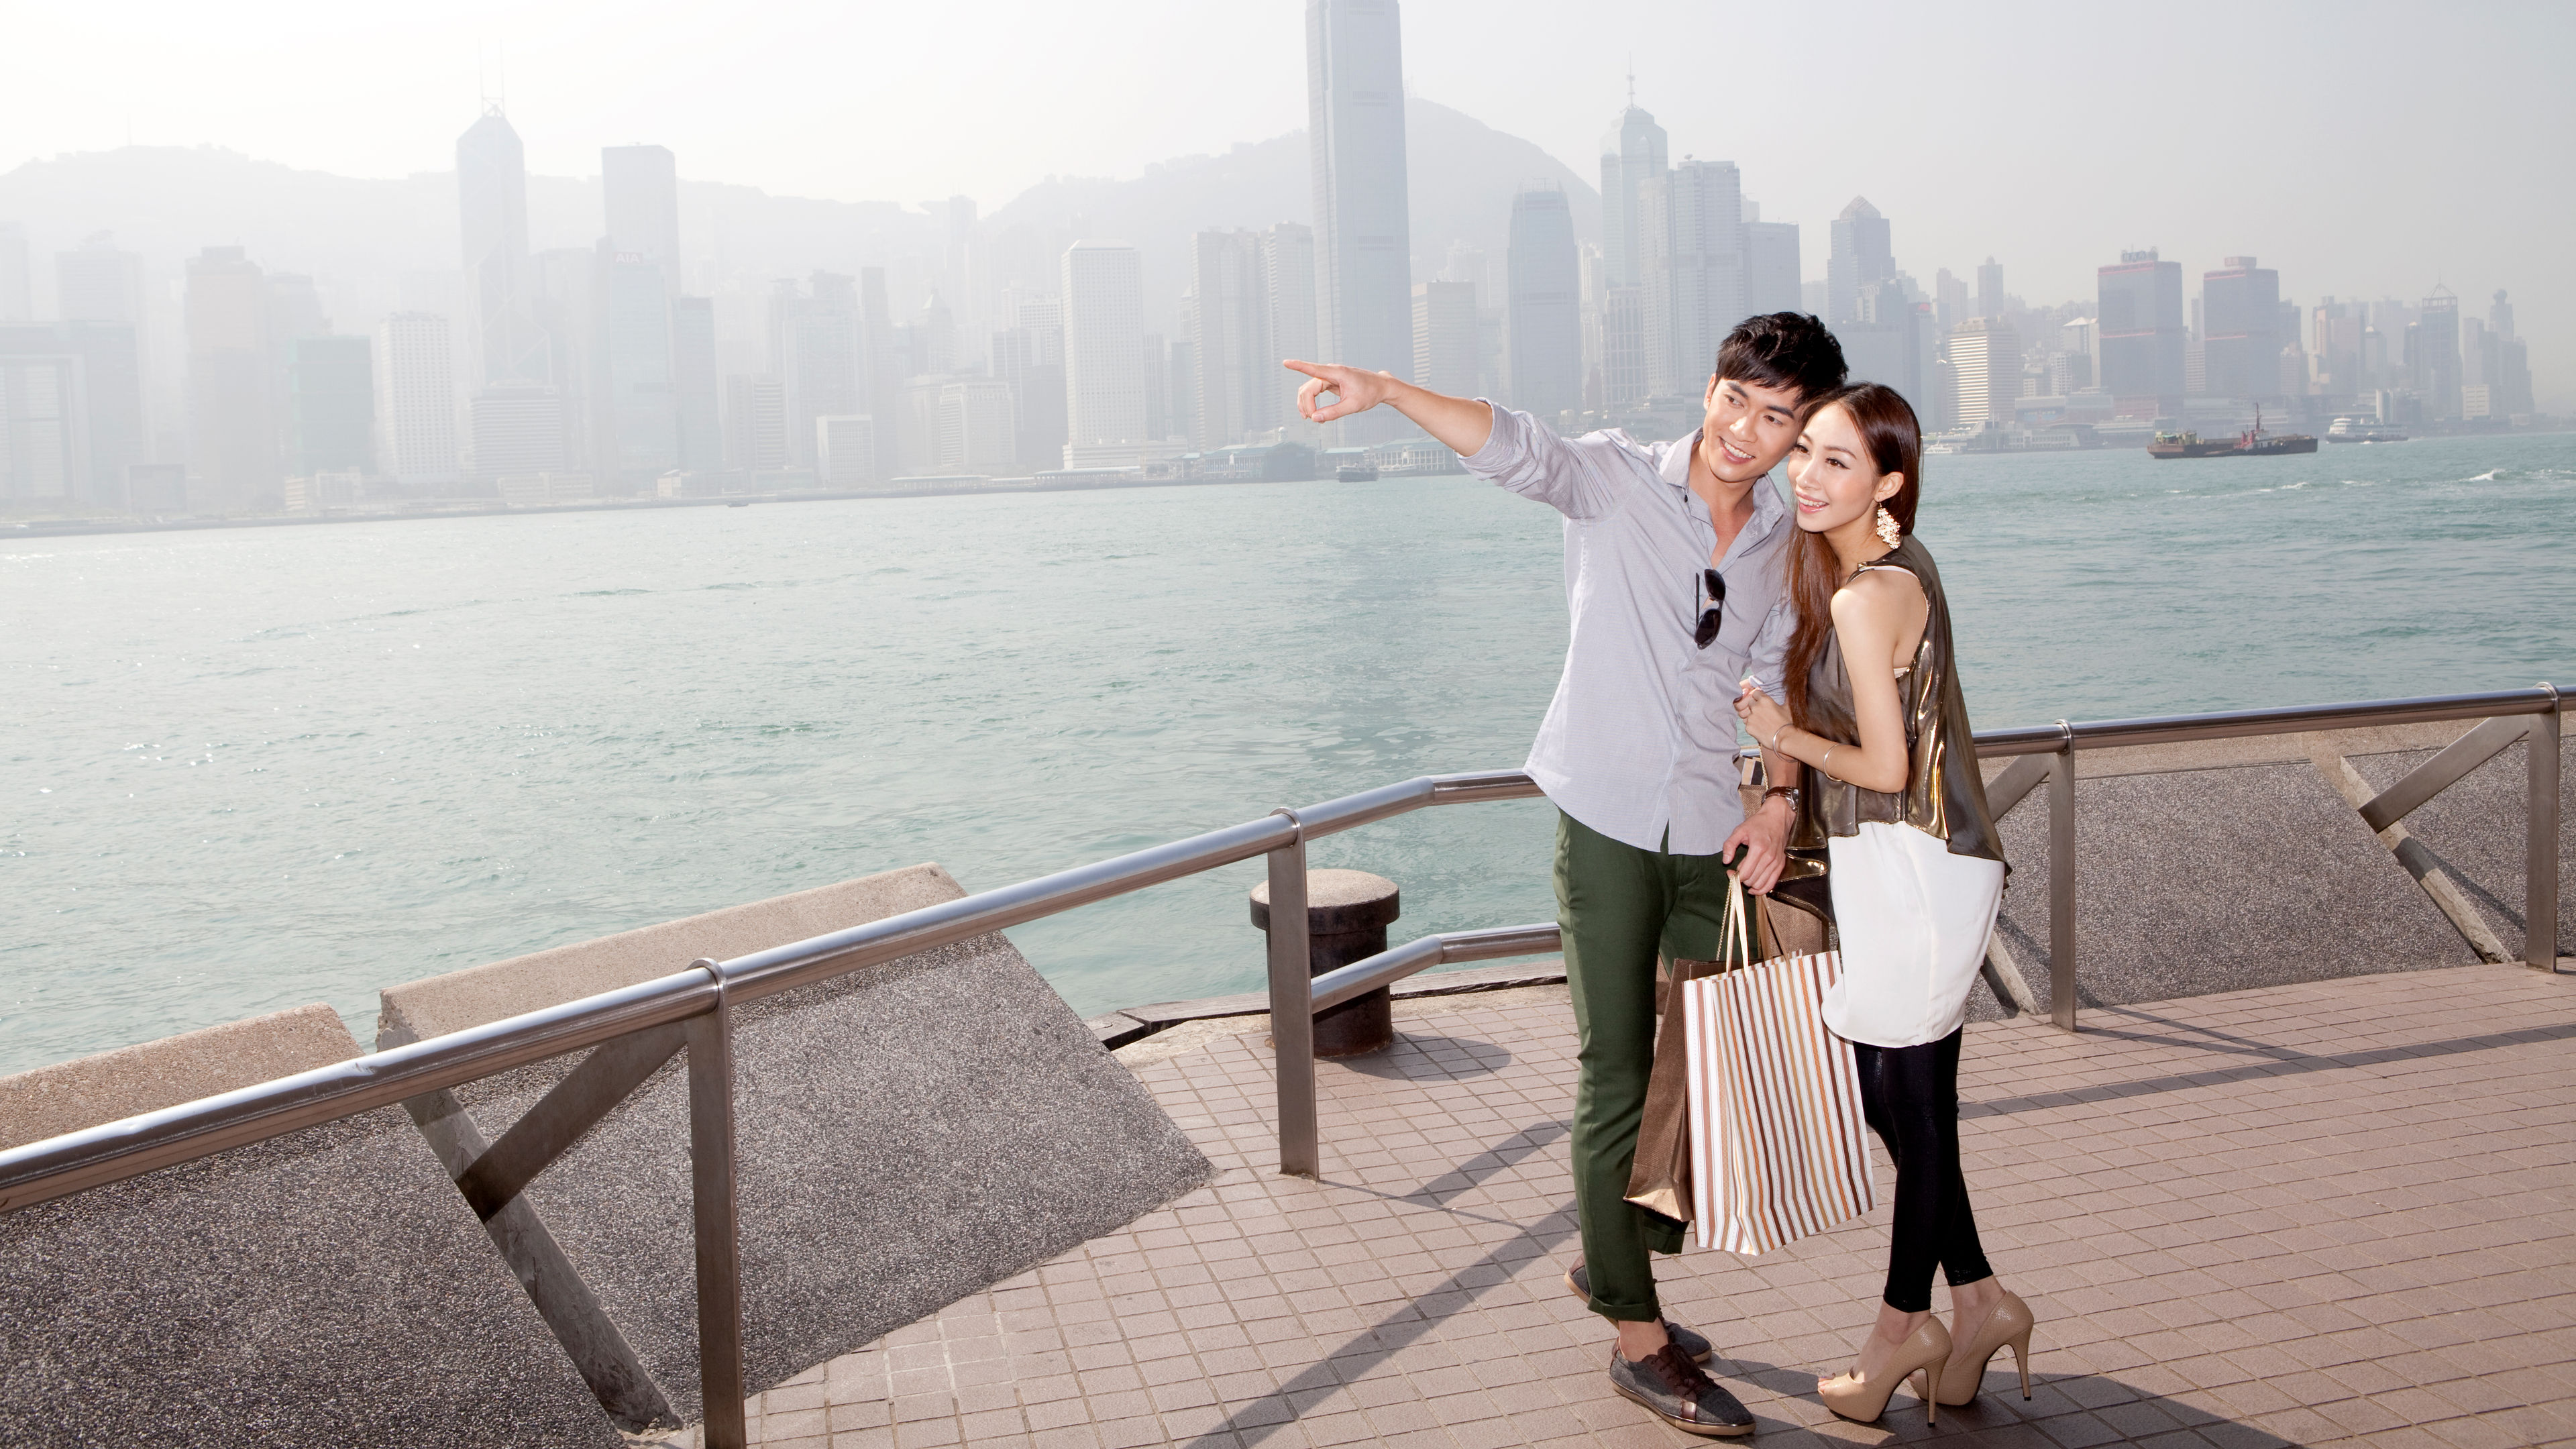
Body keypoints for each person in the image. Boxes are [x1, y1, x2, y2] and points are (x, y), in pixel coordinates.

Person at [1287, 315, 1847, 1439]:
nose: (1747, 431)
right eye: (1737, 400)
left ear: (1798, 434)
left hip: (1711, 829)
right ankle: (1638, 1341)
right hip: (1601, 818)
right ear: (1710, 387)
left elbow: (1780, 682)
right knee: (1615, 1068)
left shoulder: (1785, 538)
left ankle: (1608, 1264)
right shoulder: (1617, 483)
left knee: (1698, 1076)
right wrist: (1390, 390)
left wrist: (1782, 800)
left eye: (1778, 418)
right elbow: (1512, 442)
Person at [1732, 383, 2035, 1426]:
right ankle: (1985, 1301)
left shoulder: (1867, 597)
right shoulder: (1896, 566)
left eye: (1837, 463)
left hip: (1916, 864)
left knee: (1908, 1107)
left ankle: (1899, 1333)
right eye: (1803, 453)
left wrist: (1780, 729)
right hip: (1911, 866)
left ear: (1889, 483)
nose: (1805, 477)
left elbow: (1888, 761)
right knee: (1903, 1106)